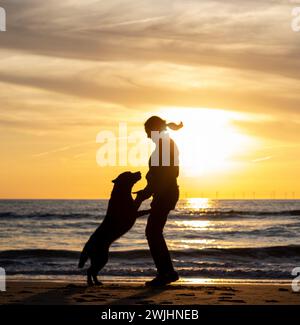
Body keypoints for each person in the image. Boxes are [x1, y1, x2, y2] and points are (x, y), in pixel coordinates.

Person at [135, 116, 183, 286]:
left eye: (148, 132)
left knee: (153, 232)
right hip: (165, 193)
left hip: (165, 194)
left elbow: (166, 176)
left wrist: (147, 193)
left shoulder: (164, 146)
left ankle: (166, 273)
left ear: (154, 130)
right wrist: (148, 191)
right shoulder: (165, 144)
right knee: (154, 231)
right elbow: (160, 177)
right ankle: (166, 272)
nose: (147, 137)